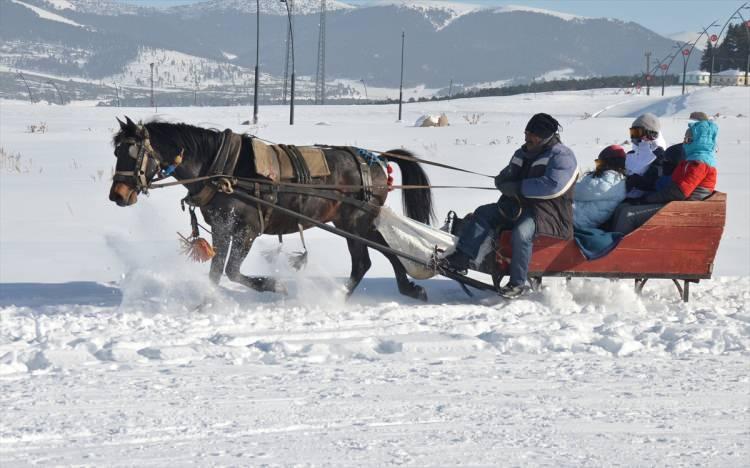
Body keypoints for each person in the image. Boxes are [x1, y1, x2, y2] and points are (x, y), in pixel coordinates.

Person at [442, 113, 578, 299]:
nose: (527, 137)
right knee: (483, 213)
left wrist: (518, 187)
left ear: (545, 135)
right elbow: (507, 173)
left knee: (521, 234)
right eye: (526, 132)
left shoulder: (562, 156)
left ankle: (517, 283)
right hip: (516, 206)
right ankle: (462, 258)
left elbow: (553, 186)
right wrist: (502, 181)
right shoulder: (522, 153)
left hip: (547, 213)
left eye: (532, 134)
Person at [611, 118, 718, 234]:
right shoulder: (691, 160)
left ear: (700, 141)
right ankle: (609, 242)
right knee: (623, 208)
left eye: (689, 139)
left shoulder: (700, 163)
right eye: (685, 139)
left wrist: (646, 199)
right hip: (678, 204)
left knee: (628, 215)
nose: (685, 142)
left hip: (684, 209)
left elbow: (678, 192)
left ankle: (618, 248)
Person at [573, 145, 627, 230]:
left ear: (609, 162)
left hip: (577, 220)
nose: (598, 165)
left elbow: (576, 192)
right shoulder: (611, 178)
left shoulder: (611, 180)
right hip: (575, 215)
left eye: (599, 162)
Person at [624, 113, 668, 198]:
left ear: (651, 134)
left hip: (641, 203)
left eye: (637, 132)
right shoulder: (631, 154)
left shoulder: (659, 156)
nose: (634, 137)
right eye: (633, 132)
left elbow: (653, 182)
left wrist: (631, 181)